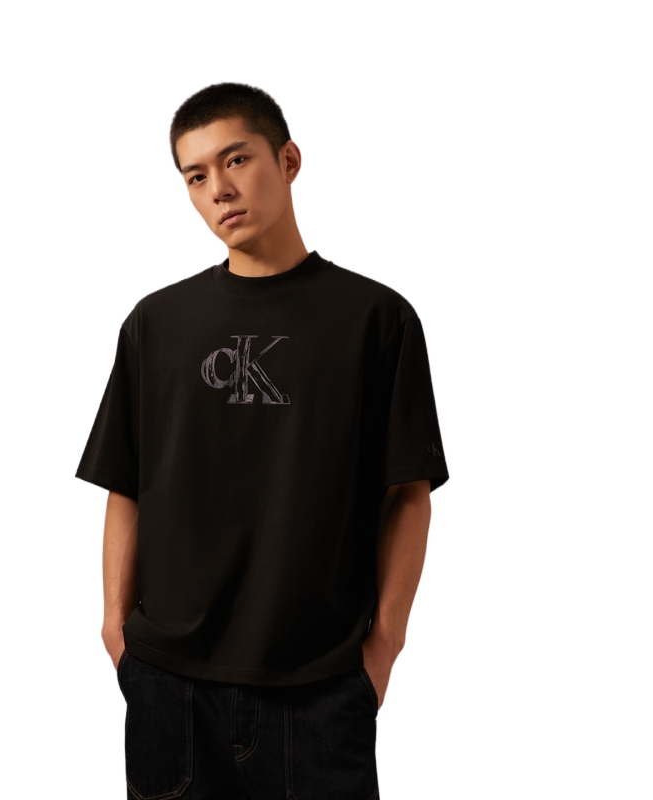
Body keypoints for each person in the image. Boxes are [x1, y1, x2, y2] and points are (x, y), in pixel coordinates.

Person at [75, 82, 449, 800]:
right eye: (195, 176)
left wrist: (384, 647)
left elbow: (408, 493)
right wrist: (116, 631)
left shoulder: (377, 319)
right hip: (170, 685)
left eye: (236, 159)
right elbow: (127, 482)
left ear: (288, 160)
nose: (218, 188)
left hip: (321, 687)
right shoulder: (156, 323)